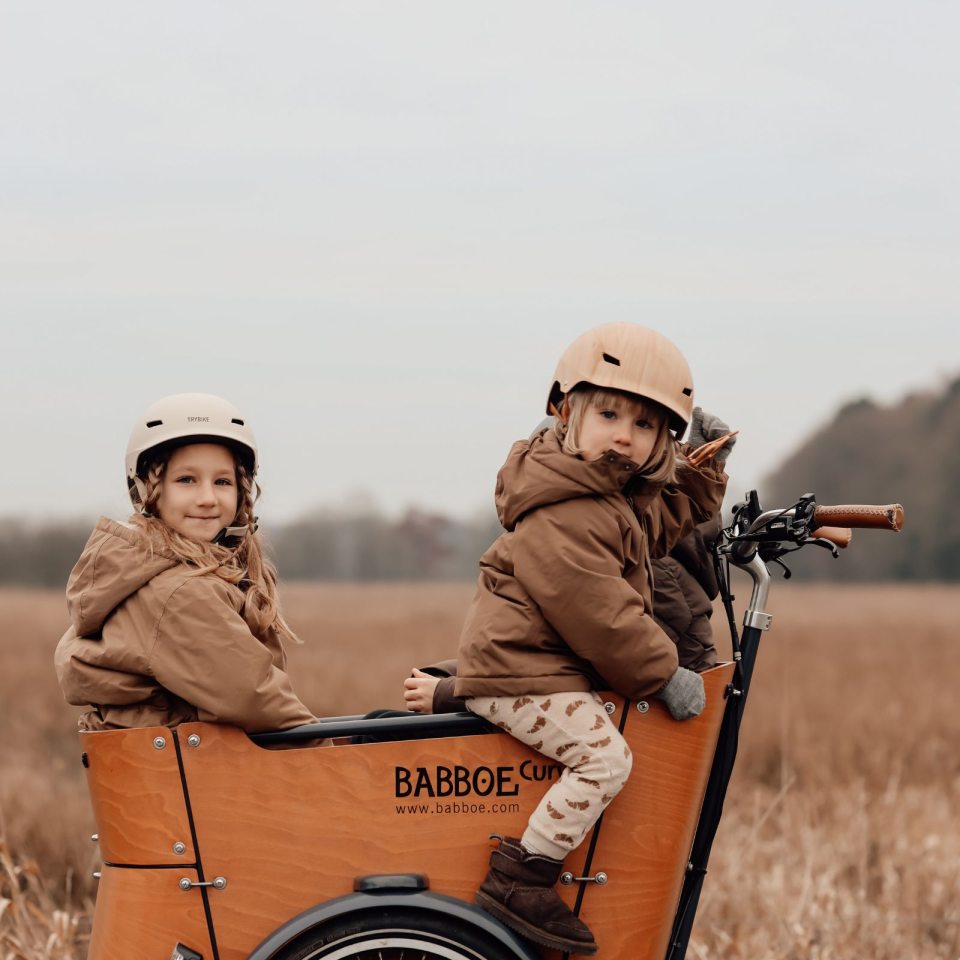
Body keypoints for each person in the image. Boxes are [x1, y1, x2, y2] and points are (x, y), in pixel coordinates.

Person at [447, 323, 734, 955]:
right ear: (564, 410)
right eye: (609, 415)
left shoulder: (604, 495)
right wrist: (662, 673)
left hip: (538, 666)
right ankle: (520, 877)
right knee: (605, 759)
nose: (625, 435)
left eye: (646, 425)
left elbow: (654, 530)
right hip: (524, 672)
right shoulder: (565, 508)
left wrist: (700, 474)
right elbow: (599, 614)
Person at [55, 393, 317, 734]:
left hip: (194, 759)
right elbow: (255, 699)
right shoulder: (179, 592)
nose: (207, 498)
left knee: (376, 727)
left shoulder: (158, 574)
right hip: (193, 765)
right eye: (186, 480)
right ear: (147, 489)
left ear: (242, 490)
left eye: (222, 482)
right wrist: (336, 759)